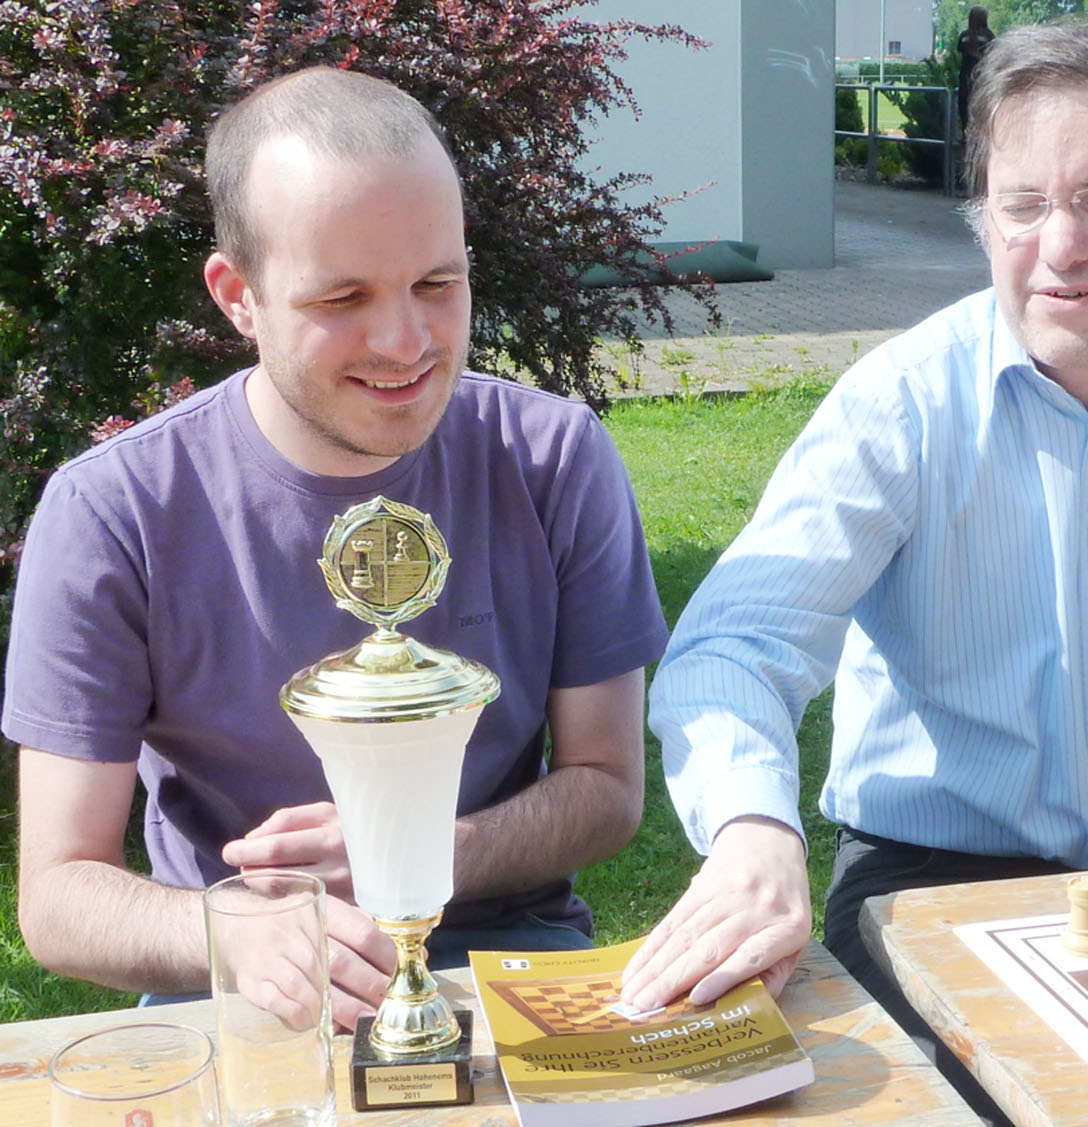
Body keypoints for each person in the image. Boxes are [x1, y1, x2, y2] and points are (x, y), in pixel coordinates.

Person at [621, 15, 1088, 1113]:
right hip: (921, 885)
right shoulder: (901, 402)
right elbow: (735, 644)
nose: (1058, 246)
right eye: (1021, 205)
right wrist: (751, 830)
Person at [4, 67, 668, 1032]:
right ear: (239, 296)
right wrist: (236, 935)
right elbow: (59, 892)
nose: (404, 342)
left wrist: (418, 853)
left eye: (437, 283)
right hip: (245, 984)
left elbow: (607, 788)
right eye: (343, 296)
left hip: (506, 954)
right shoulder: (115, 511)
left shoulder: (551, 458)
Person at [956, 6, 995, 134]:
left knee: (965, 111)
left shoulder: (964, 36)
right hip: (982, 78)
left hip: (965, 78)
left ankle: (965, 134)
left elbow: (960, 53)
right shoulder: (988, 36)